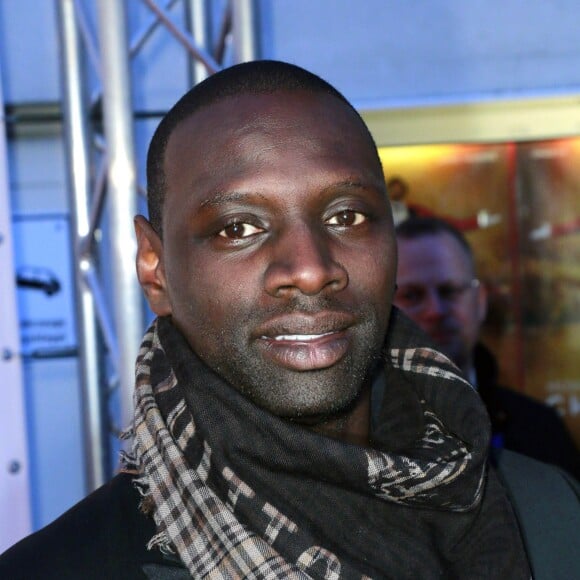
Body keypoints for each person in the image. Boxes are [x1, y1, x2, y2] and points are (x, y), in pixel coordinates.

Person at [0, 60, 545, 579]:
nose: (309, 270)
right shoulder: (58, 570)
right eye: (238, 227)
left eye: (346, 216)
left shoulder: (552, 517)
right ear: (156, 267)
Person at [394, 216, 580, 480]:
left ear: (480, 302)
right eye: (412, 295)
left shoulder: (540, 428)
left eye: (449, 291)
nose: (435, 310)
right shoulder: (355, 434)